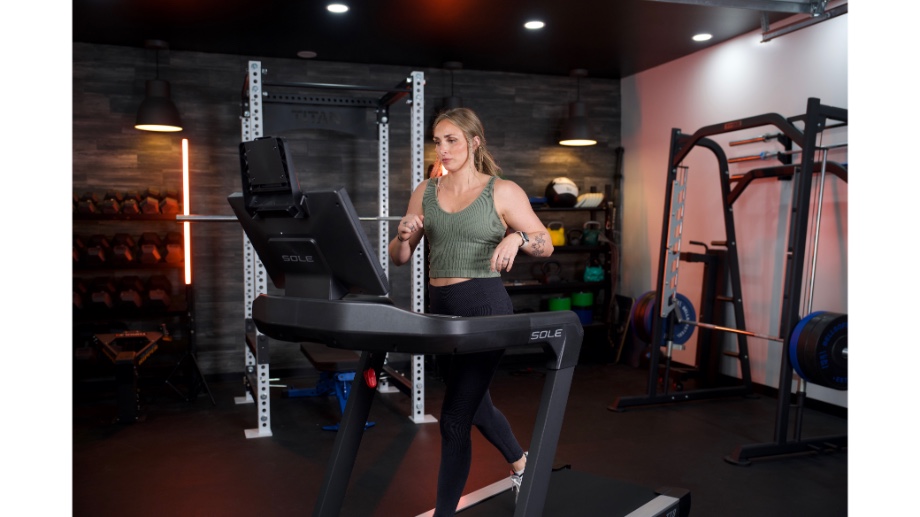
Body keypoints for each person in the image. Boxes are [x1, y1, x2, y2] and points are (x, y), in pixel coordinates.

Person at [388, 107, 554, 515]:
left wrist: (516, 237)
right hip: (441, 312)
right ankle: (522, 464)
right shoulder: (426, 190)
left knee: (454, 418)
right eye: (438, 140)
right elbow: (399, 258)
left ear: (474, 142)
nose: (442, 149)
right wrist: (403, 235)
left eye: (452, 140)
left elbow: (545, 242)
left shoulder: (501, 191)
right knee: (476, 403)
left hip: (485, 309)